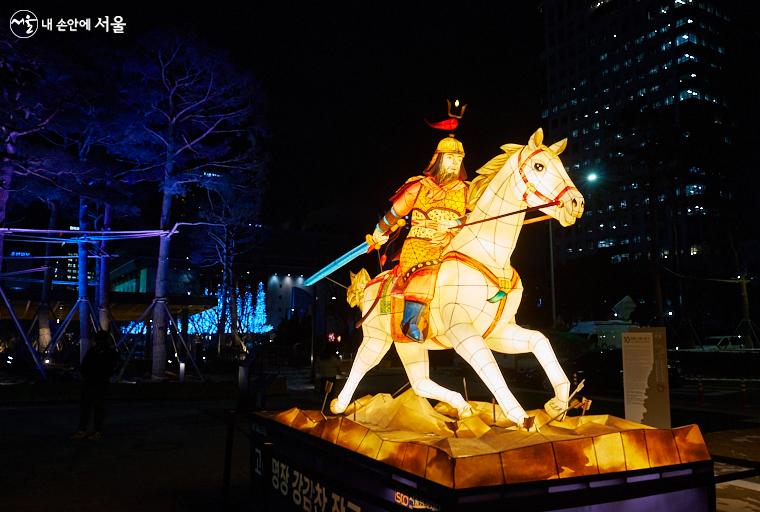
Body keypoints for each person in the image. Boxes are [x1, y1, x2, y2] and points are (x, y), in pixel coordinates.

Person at [370, 134, 469, 342]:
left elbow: (477, 215)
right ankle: (410, 321)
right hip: (421, 243)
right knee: (427, 268)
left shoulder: (466, 191)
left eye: (458, 159)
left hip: (453, 241)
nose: (454, 163)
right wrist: (379, 232)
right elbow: (395, 214)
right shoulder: (419, 187)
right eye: (450, 158)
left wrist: (457, 223)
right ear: (438, 159)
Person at [70, 330, 119, 439]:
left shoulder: (95, 351)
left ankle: (86, 430)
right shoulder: (107, 352)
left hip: (93, 382)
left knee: (90, 408)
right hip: (97, 382)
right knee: (95, 408)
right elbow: (113, 367)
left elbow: (84, 366)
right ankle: (95, 430)